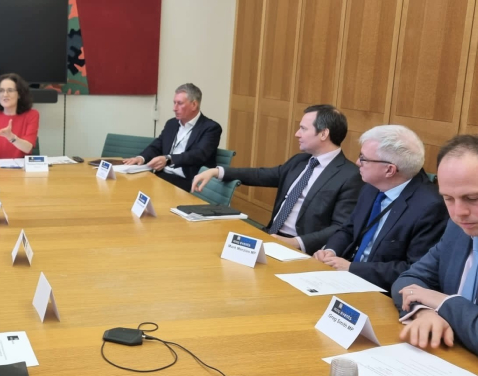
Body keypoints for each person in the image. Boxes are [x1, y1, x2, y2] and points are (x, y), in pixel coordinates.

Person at [193, 105, 362, 254]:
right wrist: (218, 171)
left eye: (303, 129)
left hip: (301, 249)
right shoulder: (300, 161)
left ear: (324, 133)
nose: (297, 134)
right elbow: (262, 175)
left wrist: (295, 243)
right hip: (269, 237)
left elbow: (340, 227)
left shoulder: (349, 175)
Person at [314, 125, 447, 289]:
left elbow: (413, 269)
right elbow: (349, 229)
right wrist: (331, 251)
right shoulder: (371, 186)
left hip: (380, 290)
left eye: (363, 158)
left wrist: (351, 268)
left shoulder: (430, 208)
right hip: (343, 277)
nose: (357, 162)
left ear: (389, 170)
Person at [392, 134, 478, 354]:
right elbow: (409, 280)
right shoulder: (456, 230)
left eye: (473, 198)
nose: (459, 213)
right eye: (448, 198)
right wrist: (424, 311)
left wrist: (442, 302)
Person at [122, 83, 222, 192]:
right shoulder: (172, 124)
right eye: (174, 103)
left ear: (194, 105)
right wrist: (141, 158)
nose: (174, 108)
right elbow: (157, 145)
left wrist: (169, 159)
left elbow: (199, 154)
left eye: (179, 103)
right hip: (162, 176)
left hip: (188, 182)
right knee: (128, 186)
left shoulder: (210, 128)